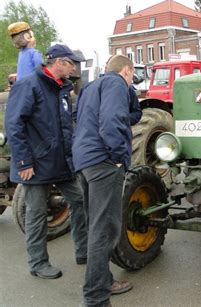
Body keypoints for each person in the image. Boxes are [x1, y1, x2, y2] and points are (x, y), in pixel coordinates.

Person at [5, 44, 88, 279]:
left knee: (79, 201)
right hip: (36, 164)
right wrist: (23, 162)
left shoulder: (62, 88)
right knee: (36, 213)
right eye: (71, 63)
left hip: (61, 162)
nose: (74, 68)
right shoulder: (29, 85)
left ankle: (83, 251)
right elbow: (14, 124)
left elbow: (64, 126)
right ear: (59, 62)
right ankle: (38, 263)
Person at [72, 55, 134, 307]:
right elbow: (110, 122)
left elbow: (79, 117)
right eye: (131, 75)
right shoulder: (117, 84)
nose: (131, 81)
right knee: (104, 230)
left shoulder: (90, 86)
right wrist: (118, 156)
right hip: (103, 163)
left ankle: (105, 281)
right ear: (127, 70)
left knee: (93, 223)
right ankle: (96, 298)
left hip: (83, 161)